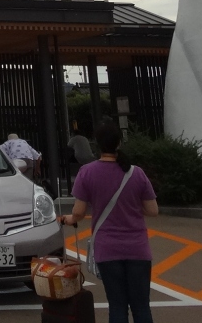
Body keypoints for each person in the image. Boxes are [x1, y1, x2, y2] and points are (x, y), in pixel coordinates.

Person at [61, 119, 159, 323]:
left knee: (117, 306)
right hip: (138, 249)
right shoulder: (136, 172)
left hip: (107, 249)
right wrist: (131, 206)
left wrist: (66, 219)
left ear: (97, 144)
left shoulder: (87, 172)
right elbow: (153, 210)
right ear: (119, 143)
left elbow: (78, 212)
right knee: (141, 306)